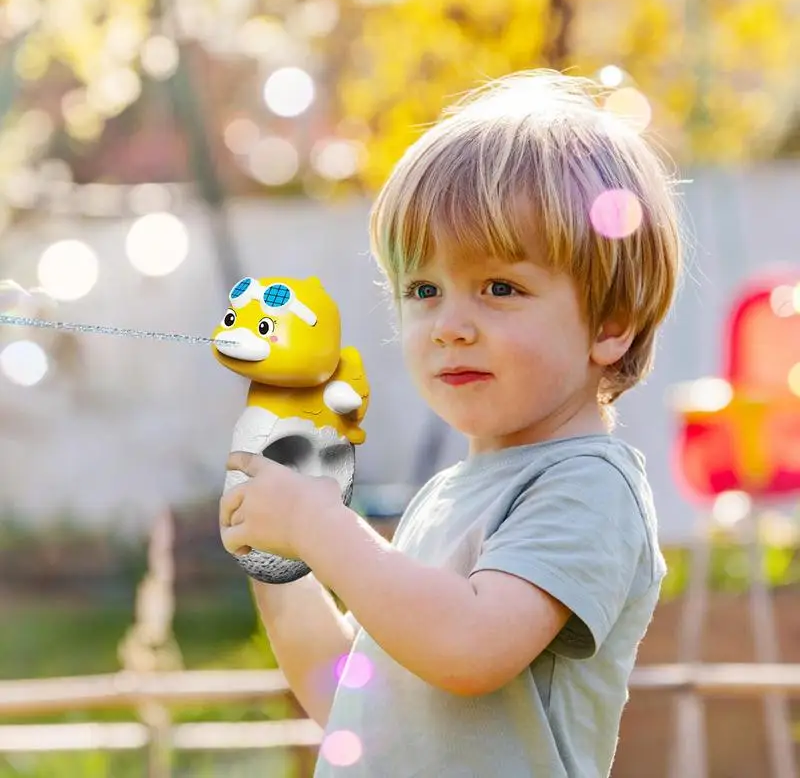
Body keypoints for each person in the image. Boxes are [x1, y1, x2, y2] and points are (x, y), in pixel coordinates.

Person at [219, 69, 685, 777]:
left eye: (499, 287)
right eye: (424, 289)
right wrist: (278, 562)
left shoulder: (590, 486)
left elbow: (468, 648)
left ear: (610, 324)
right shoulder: (446, 497)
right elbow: (352, 700)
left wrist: (317, 523)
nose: (449, 326)